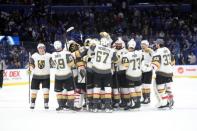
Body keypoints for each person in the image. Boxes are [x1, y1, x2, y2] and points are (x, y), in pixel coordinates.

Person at [90, 36, 119, 112]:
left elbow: (91, 46)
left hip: (97, 71)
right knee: (108, 89)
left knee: (96, 89)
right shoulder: (111, 51)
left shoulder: (96, 47)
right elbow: (116, 60)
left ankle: (95, 106)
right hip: (106, 71)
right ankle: (107, 106)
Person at [51, 41, 76, 111]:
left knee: (59, 92)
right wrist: (72, 57)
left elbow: (53, 65)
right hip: (67, 75)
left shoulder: (52, 55)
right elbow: (71, 64)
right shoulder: (67, 53)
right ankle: (71, 106)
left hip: (58, 76)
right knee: (70, 91)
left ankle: (60, 106)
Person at [152, 39, 175, 109]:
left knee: (160, 89)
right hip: (170, 73)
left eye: (156, 44)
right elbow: (173, 61)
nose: (155, 45)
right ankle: (170, 101)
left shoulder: (157, 52)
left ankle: (164, 103)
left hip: (161, 73)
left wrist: (151, 67)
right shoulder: (167, 49)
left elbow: (156, 65)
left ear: (158, 45)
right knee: (168, 89)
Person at [29, 43, 52, 109]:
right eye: (40, 48)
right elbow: (32, 65)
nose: (41, 49)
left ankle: (46, 103)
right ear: (38, 49)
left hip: (46, 76)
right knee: (34, 90)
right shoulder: (34, 56)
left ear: (44, 48)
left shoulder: (49, 55)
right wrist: (30, 67)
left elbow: (54, 61)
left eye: (42, 48)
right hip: (36, 76)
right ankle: (32, 103)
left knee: (46, 90)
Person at [122, 39, 143, 110]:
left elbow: (125, 66)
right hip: (139, 74)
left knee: (131, 89)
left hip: (130, 75)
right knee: (137, 89)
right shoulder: (139, 53)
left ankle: (136, 103)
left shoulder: (126, 55)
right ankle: (138, 103)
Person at [140, 40, 154, 104]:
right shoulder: (140, 52)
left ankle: (148, 99)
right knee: (143, 85)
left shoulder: (151, 51)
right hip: (142, 70)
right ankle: (144, 98)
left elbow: (155, 57)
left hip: (148, 70)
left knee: (147, 85)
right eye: (142, 44)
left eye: (144, 44)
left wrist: (151, 51)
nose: (143, 45)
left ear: (147, 45)